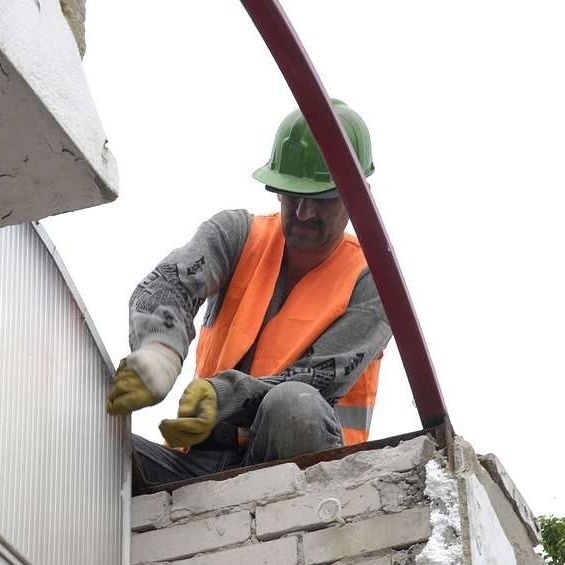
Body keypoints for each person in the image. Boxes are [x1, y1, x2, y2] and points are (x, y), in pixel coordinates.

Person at [107, 100, 392, 494]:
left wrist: (225, 394)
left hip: (304, 471)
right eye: (293, 195)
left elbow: (320, 379)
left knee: (294, 406)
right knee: (90, 448)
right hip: (199, 463)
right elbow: (168, 283)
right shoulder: (238, 236)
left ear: (357, 197)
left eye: (322, 199)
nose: (305, 213)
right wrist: (160, 352)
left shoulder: (372, 282)